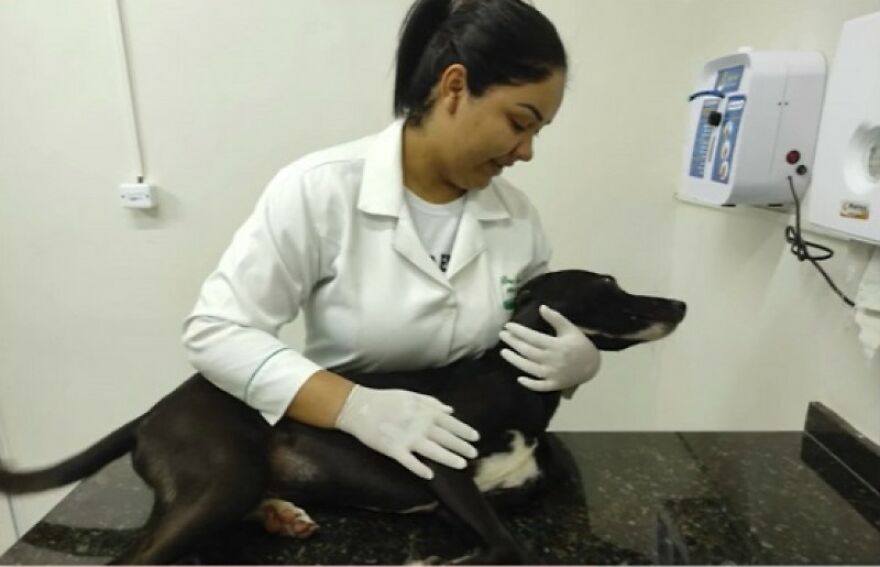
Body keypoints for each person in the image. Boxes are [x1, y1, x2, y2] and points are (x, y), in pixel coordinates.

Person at [182, 0, 600, 482]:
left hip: (471, 474)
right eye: (519, 123)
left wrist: (576, 359)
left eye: (538, 133)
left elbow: (531, 331)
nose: (526, 151)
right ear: (455, 87)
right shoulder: (321, 189)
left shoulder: (517, 217)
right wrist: (354, 407)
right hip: (339, 463)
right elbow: (217, 332)